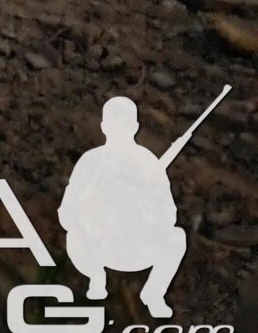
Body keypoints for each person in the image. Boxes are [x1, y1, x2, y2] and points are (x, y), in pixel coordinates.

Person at [61, 94, 192, 318]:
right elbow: (67, 211)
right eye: (115, 124)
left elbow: (168, 215)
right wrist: (94, 215)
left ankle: (153, 293)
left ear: (134, 127)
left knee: (176, 237)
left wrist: (143, 210)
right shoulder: (91, 162)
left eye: (123, 124)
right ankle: (96, 278)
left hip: (137, 248)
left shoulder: (148, 163)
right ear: (104, 127)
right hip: (99, 247)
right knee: (74, 235)